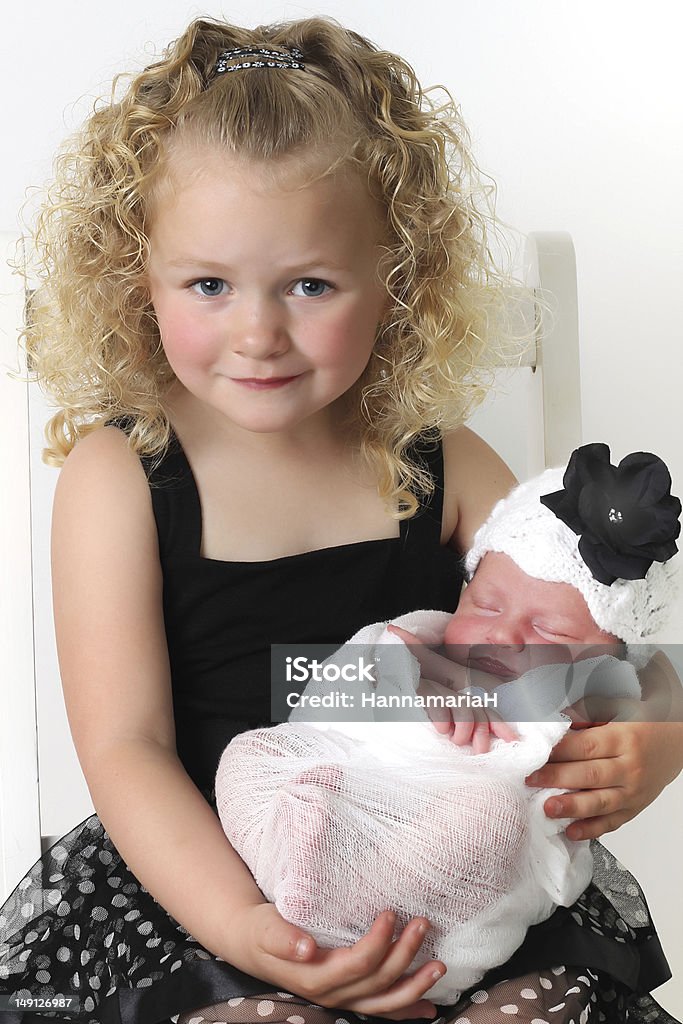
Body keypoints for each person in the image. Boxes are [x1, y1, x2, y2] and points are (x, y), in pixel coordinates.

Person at [0, 14, 680, 1024]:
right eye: (208, 284)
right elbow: (127, 747)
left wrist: (658, 723)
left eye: (310, 284)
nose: (258, 332)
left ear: (394, 279)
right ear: (136, 280)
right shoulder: (122, 477)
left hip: (455, 888)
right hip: (211, 888)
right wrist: (243, 927)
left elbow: (603, 624)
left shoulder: (436, 459)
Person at [214, 445, 680, 1009]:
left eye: (550, 634)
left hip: (432, 889)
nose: (501, 637)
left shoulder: (571, 713)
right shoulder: (420, 636)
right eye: (484, 607)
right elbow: (329, 694)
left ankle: (344, 905)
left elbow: (546, 815)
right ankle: (312, 862)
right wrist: (417, 674)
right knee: (246, 757)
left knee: (488, 820)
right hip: (318, 805)